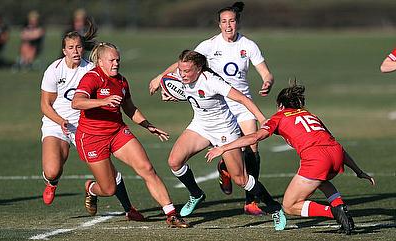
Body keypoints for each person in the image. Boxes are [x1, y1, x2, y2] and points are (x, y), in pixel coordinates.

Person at [149, 1, 274, 216]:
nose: (228, 25)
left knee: (252, 150)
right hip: (214, 104)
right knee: (179, 159)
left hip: (240, 102)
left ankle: (250, 201)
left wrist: (267, 81)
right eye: (224, 22)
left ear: (238, 23)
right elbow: (186, 64)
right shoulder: (208, 46)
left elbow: (265, 72)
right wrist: (161, 77)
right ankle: (220, 173)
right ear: (219, 24)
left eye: (232, 21)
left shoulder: (248, 45)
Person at [206, 81, 375, 235]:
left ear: (280, 105)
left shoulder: (279, 117)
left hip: (317, 159)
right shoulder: (310, 116)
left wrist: (223, 147)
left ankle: (335, 213)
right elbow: (334, 145)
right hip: (336, 154)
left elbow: (254, 137)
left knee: (289, 205)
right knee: (321, 181)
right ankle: (339, 206)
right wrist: (358, 171)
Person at [164, 50, 286, 231]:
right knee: (174, 161)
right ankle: (196, 194)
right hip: (200, 125)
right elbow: (192, 95)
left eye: (187, 71)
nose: (182, 74)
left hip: (224, 131)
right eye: (180, 70)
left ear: (199, 68)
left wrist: (261, 119)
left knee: (240, 179)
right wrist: (171, 95)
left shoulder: (213, 82)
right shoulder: (181, 76)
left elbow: (243, 99)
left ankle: (275, 208)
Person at [71, 42, 189, 228]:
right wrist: (103, 101)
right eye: (111, 60)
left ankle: (171, 214)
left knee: (147, 168)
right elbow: (77, 102)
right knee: (109, 189)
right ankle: (91, 188)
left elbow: (130, 108)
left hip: (117, 132)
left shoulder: (121, 81)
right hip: (92, 138)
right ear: (100, 62)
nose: (116, 63)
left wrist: (148, 125)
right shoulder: (92, 78)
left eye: (118, 59)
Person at [40, 20, 97, 206]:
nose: (75, 51)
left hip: (84, 125)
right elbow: (45, 105)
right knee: (52, 170)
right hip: (56, 124)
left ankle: (127, 208)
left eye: (79, 47)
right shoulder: (54, 70)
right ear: (64, 50)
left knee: (105, 172)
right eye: (71, 47)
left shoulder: (90, 70)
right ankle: (52, 182)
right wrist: (61, 121)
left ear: (83, 49)